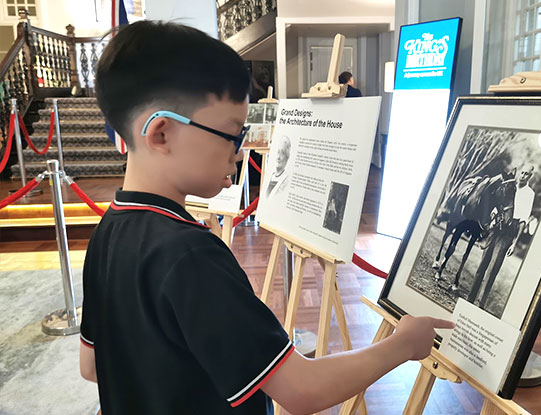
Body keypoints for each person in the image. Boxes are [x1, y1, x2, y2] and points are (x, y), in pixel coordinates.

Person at [79, 21, 454, 415]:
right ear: (161, 134)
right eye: (232, 134)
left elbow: (91, 365)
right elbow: (302, 389)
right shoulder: (190, 255)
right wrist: (402, 344)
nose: (239, 151)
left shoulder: (109, 230)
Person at [468, 164, 536, 308]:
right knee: (482, 265)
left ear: (530, 176)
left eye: (526, 174)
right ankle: (469, 299)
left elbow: (523, 220)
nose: (522, 176)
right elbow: (496, 200)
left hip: (508, 232)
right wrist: (493, 213)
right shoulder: (509, 184)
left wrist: (514, 242)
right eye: (522, 172)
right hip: (496, 227)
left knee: (493, 269)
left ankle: (479, 305)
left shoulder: (529, 194)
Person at [265, 135, 291, 199]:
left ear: (287, 157)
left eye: (282, 153)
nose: (278, 157)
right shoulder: (270, 176)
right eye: (278, 152)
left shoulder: (286, 179)